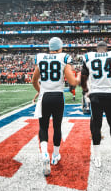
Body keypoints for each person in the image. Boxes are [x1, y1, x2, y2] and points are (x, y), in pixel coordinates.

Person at [32, 37, 80, 176]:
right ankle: (55, 156)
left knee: (43, 127)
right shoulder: (64, 58)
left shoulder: (40, 57)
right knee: (57, 126)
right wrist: (79, 78)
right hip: (58, 96)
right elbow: (72, 81)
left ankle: (45, 154)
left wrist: (40, 91)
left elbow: (34, 80)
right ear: (60, 47)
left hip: (45, 96)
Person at [81, 41, 111, 168]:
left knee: (96, 126)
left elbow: (83, 78)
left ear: (97, 49)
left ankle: (97, 157)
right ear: (106, 49)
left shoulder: (89, 57)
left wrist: (86, 93)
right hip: (109, 95)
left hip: (95, 95)